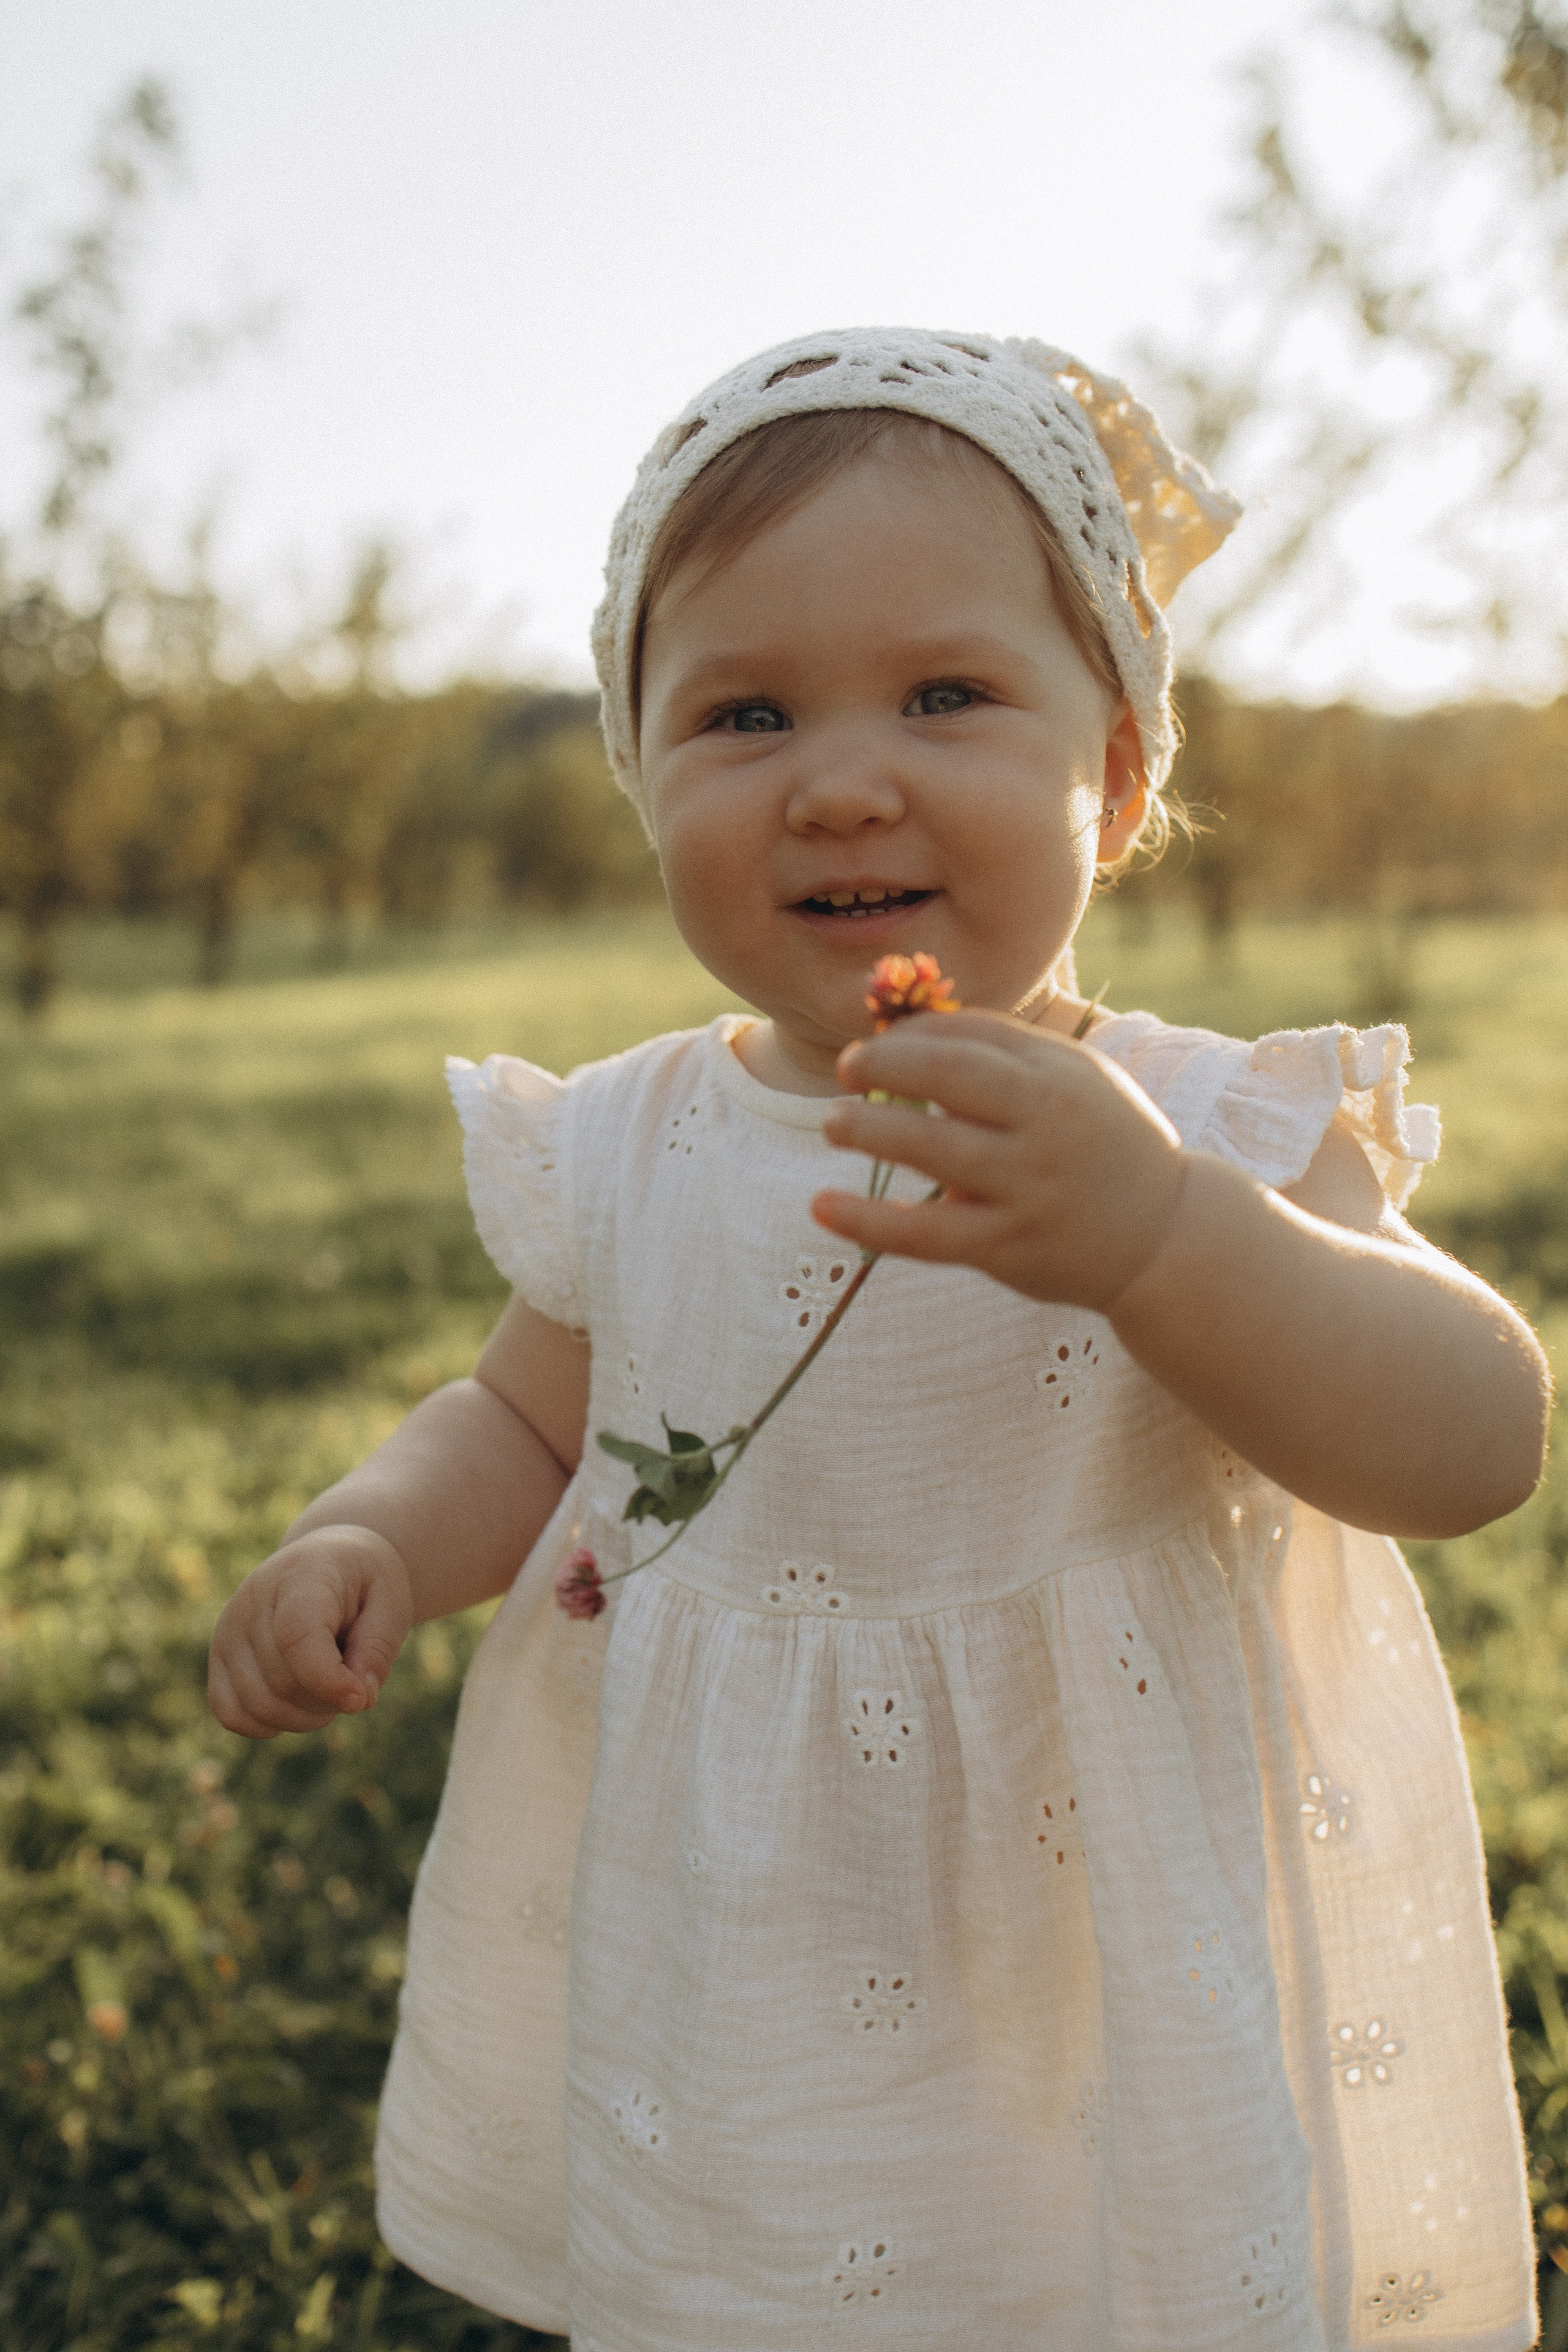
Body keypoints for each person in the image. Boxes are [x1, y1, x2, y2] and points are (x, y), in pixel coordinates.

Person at [208, 329, 1550, 2351]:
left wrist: (1170, 1235)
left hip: (1110, 1927)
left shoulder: (1215, 1128)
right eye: (743, 713)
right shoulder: (639, 1139)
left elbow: (1476, 1437)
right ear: (643, 774)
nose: (842, 777)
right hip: (753, 1937)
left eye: (947, 693)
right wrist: (377, 1536)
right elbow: (518, 1414)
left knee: (1108, 2276)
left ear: (1114, 773)